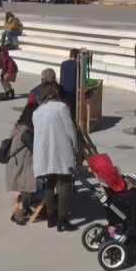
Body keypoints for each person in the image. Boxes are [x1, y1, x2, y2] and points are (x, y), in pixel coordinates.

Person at [32, 82, 78, 232]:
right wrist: (75, 147)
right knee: (64, 183)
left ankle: (51, 215)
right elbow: (70, 129)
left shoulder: (37, 111)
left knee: (50, 183)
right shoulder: (61, 108)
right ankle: (62, 219)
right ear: (54, 93)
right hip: (60, 149)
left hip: (44, 151)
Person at [7, 103, 38, 225]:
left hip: (17, 165)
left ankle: (25, 206)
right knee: (25, 187)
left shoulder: (19, 127)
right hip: (20, 168)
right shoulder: (25, 133)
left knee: (26, 188)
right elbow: (35, 150)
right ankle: (17, 212)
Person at [59, 48, 78, 120]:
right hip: (71, 90)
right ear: (77, 56)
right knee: (72, 110)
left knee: (64, 108)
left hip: (62, 89)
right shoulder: (77, 65)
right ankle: (73, 124)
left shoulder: (63, 63)